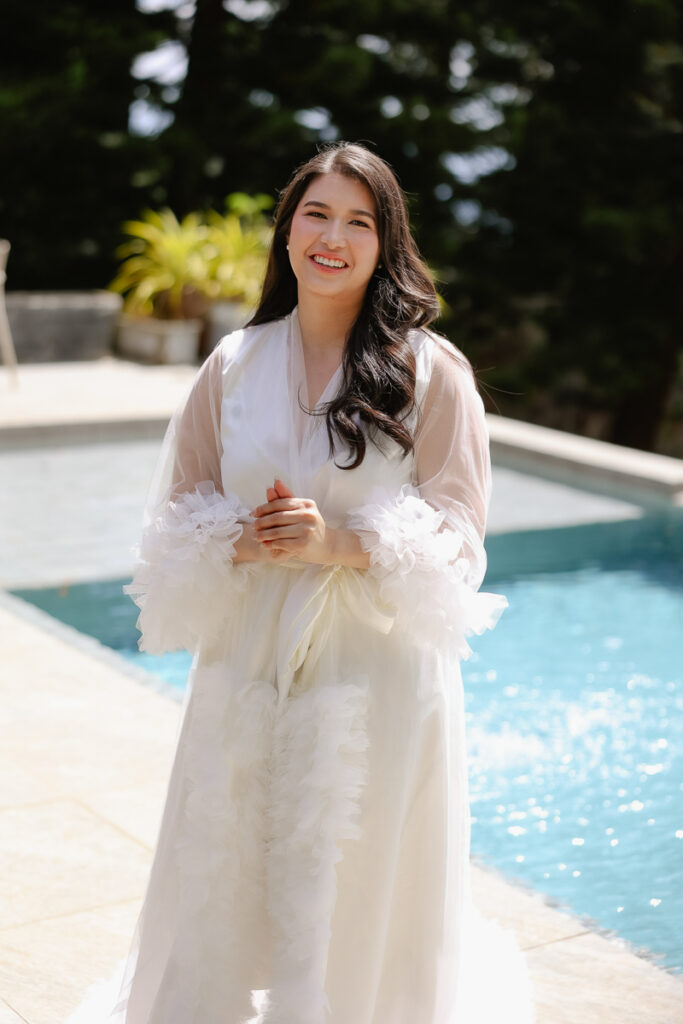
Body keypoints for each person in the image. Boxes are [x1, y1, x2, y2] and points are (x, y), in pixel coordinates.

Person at [66, 142, 536, 1023]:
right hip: (247, 664)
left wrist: (338, 544)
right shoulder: (231, 365)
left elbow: (460, 545)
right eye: (316, 214)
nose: (333, 237)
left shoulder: (432, 371)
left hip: (376, 675)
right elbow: (174, 522)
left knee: (359, 888)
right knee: (226, 876)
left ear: (385, 244)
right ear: (286, 233)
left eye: (359, 222)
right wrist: (244, 540)